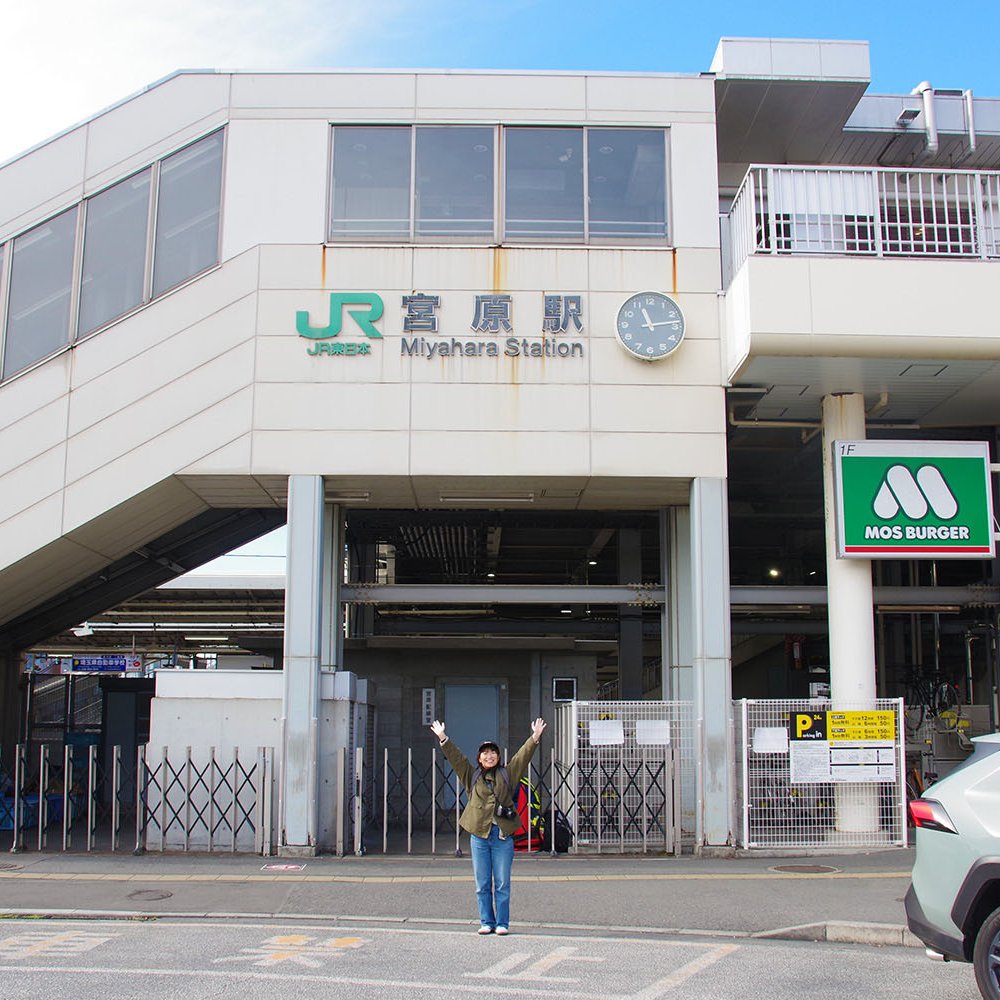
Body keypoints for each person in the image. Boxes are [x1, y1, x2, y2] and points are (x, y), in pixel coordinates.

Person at [430, 717, 546, 935]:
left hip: (502, 837)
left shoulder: (507, 774)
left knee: (502, 883)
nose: (489, 755)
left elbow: (522, 757)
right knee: (482, 883)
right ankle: (486, 921)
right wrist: (443, 738)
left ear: (498, 756)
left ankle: (502, 923)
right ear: (479, 758)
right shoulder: (471, 775)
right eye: (485, 753)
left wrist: (535, 737)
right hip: (480, 837)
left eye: (493, 752)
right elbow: (456, 758)